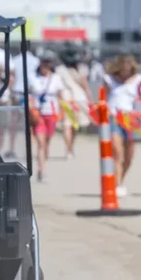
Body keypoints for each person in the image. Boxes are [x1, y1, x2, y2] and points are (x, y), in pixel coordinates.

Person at [104, 54, 141, 197]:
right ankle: (117, 184)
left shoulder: (139, 81)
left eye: (128, 69)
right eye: (122, 69)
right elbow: (104, 98)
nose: (125, 72)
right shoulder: (110, 80)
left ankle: (121, 179)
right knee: (117, 152)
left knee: (129, 155)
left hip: (132, 119)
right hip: (114, 117)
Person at [27, 53, 63, 182]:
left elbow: (60, 95)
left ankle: (43, 164)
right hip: (38, 113)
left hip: (51, 112)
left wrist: (63, 111)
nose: (46, 65)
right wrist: (30, 109)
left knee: (47, 142)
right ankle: (42, 171)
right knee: (41, 143)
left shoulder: (56, 78)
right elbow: (29, 95)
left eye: (48, 62)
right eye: (44, 62)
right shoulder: (32, 77)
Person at [56, 48, 92, 159]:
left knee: (67, 125)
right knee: (74, 125)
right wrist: (90, 99)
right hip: (79, 99)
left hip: (66, 99)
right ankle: (71, 147)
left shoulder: (59, 69)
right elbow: (85, 85)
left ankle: (68, 150)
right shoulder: (82, 69)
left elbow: (58, 87)